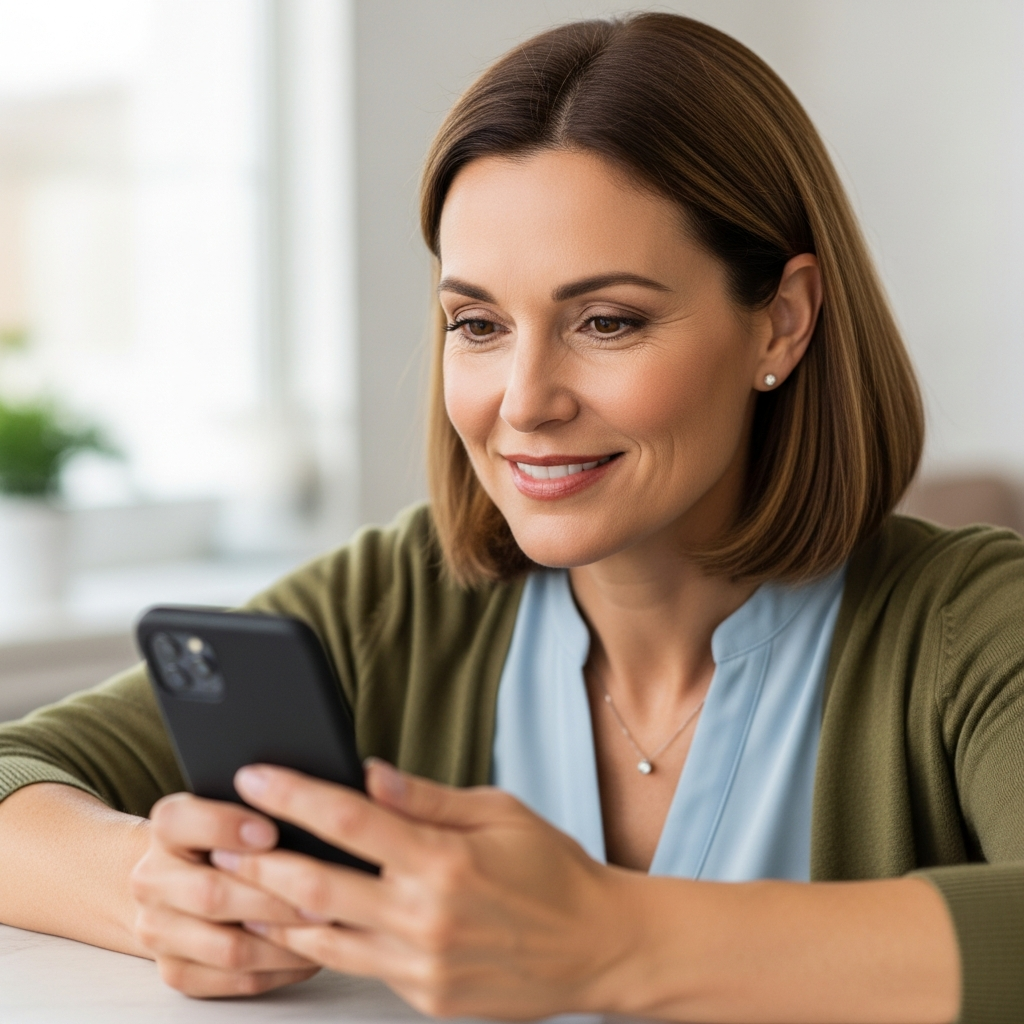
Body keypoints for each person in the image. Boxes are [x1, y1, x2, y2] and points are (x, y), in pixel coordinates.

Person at [0, 13, 1021, 1023]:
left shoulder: (970, 627)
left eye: (606, 321)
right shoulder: (398, 603)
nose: (524, 400)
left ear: (782, 321)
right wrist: (162, 888)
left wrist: (610, 941)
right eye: (477, 324)